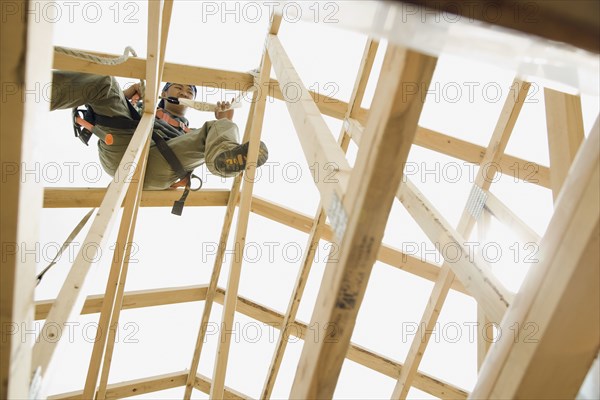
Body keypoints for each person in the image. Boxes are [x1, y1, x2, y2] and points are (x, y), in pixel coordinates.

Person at [51, 71, 268, 190]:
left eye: (189, 91)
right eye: (178, 87)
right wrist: (125, 96)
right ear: (164, 94)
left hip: (164, 164)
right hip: (126, 149)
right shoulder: (142, 108)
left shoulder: (193, 133)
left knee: (218, 127)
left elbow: (210, 134)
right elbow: (112, 107)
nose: (184, 91)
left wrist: (223, 120)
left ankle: (226, 161)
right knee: (104, 81)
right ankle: (30, 91)